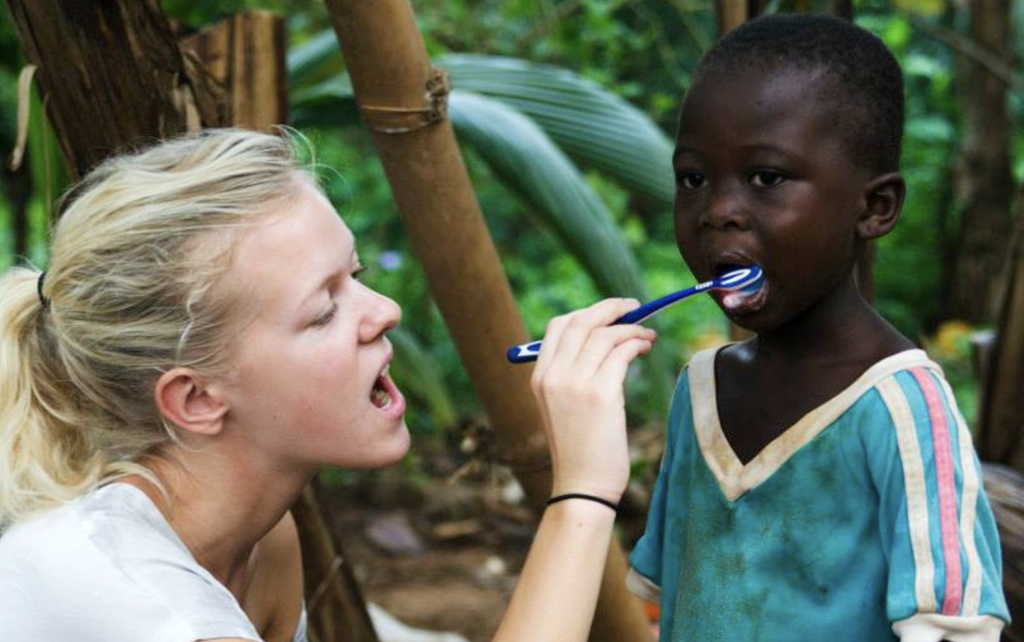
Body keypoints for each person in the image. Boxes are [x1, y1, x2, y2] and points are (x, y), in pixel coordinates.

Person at [0, 129, 657, 642]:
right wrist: (582, 495)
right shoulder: (138, 599)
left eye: (358, 274)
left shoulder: (263, 540)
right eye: (323, 310)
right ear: (196, 399)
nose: (385, 312)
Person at [627, 14, 1010, 642]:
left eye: (766, 178)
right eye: (693, 179)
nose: (717, 211)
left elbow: (955, 630)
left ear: (873, 207)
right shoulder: (699, 389)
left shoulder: (905, 408)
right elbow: (670, 601)